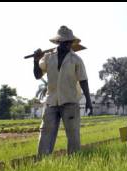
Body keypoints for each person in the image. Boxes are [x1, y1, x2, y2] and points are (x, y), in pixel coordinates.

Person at [32, 25, 93, 157]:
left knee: (73, 136)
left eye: (69, 42)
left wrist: (88, 100)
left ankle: (75, 161)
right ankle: (42, 162)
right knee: (45, 134)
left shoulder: (76, 60)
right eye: (65, 42)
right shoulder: (48, 58)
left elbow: (83, 80)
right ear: (58, 42)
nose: (68, 45)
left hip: (70, 101)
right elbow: (38, 75)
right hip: (51, 102)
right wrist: (36, 61)